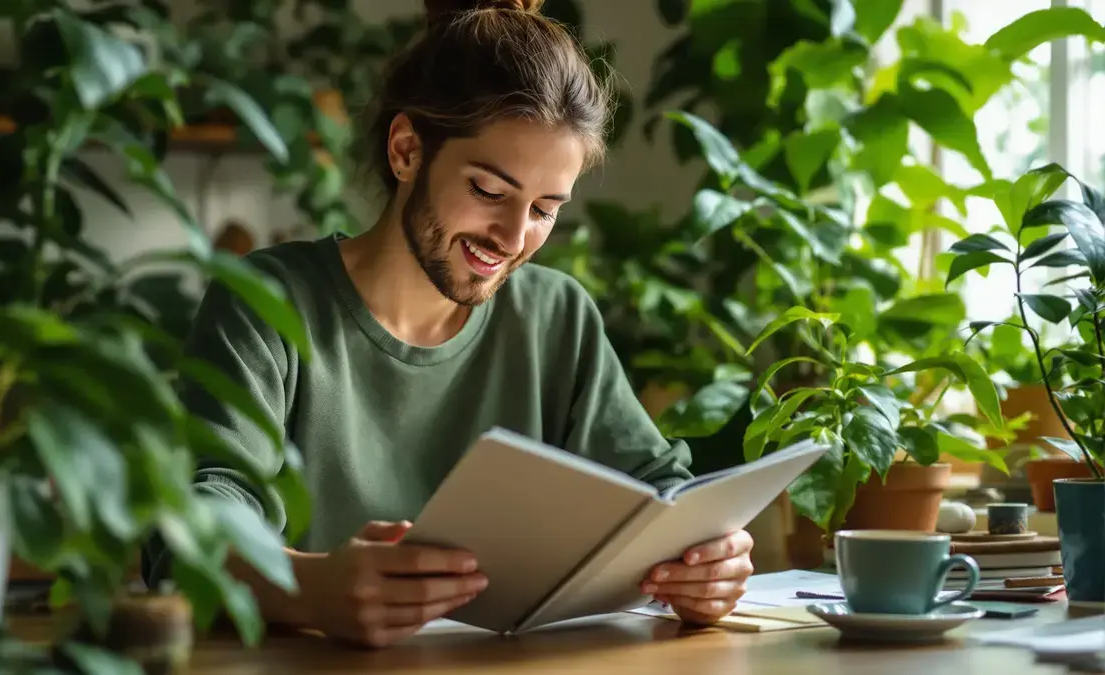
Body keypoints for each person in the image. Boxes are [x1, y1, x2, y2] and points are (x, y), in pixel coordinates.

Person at [144, 0, 754, 648]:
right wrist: (313, 587)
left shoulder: (556, 317)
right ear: (407, 150)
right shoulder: (267, 301)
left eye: (546, 209)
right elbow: (190, 529)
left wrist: (709, 563)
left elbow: (660, 492)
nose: (514, 237)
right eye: (490, 191)